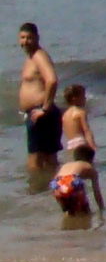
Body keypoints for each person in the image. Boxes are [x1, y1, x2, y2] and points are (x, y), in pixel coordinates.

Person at [52, 85, 102, 221]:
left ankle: (71, 217)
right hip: (81, 143)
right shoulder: (80, 112)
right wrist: (93, 145)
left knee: (72, 174)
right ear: (75, 98)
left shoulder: (65, 115)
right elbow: (86, 130)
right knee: (86, 175)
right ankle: (86, 212)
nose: (85, 99)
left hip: (70, 146)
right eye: (83, 96)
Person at [18, 22, 56, 180]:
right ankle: (52, 189)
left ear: (37, 38)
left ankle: (37, 193)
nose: (25, 41)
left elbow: (52, 80)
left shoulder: (39, 56)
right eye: (22, 37)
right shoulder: (31, 57)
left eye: (29, 38)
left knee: (35, 162)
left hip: (40, 114)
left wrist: (45, 109)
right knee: (47, 160)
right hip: (36, 114)